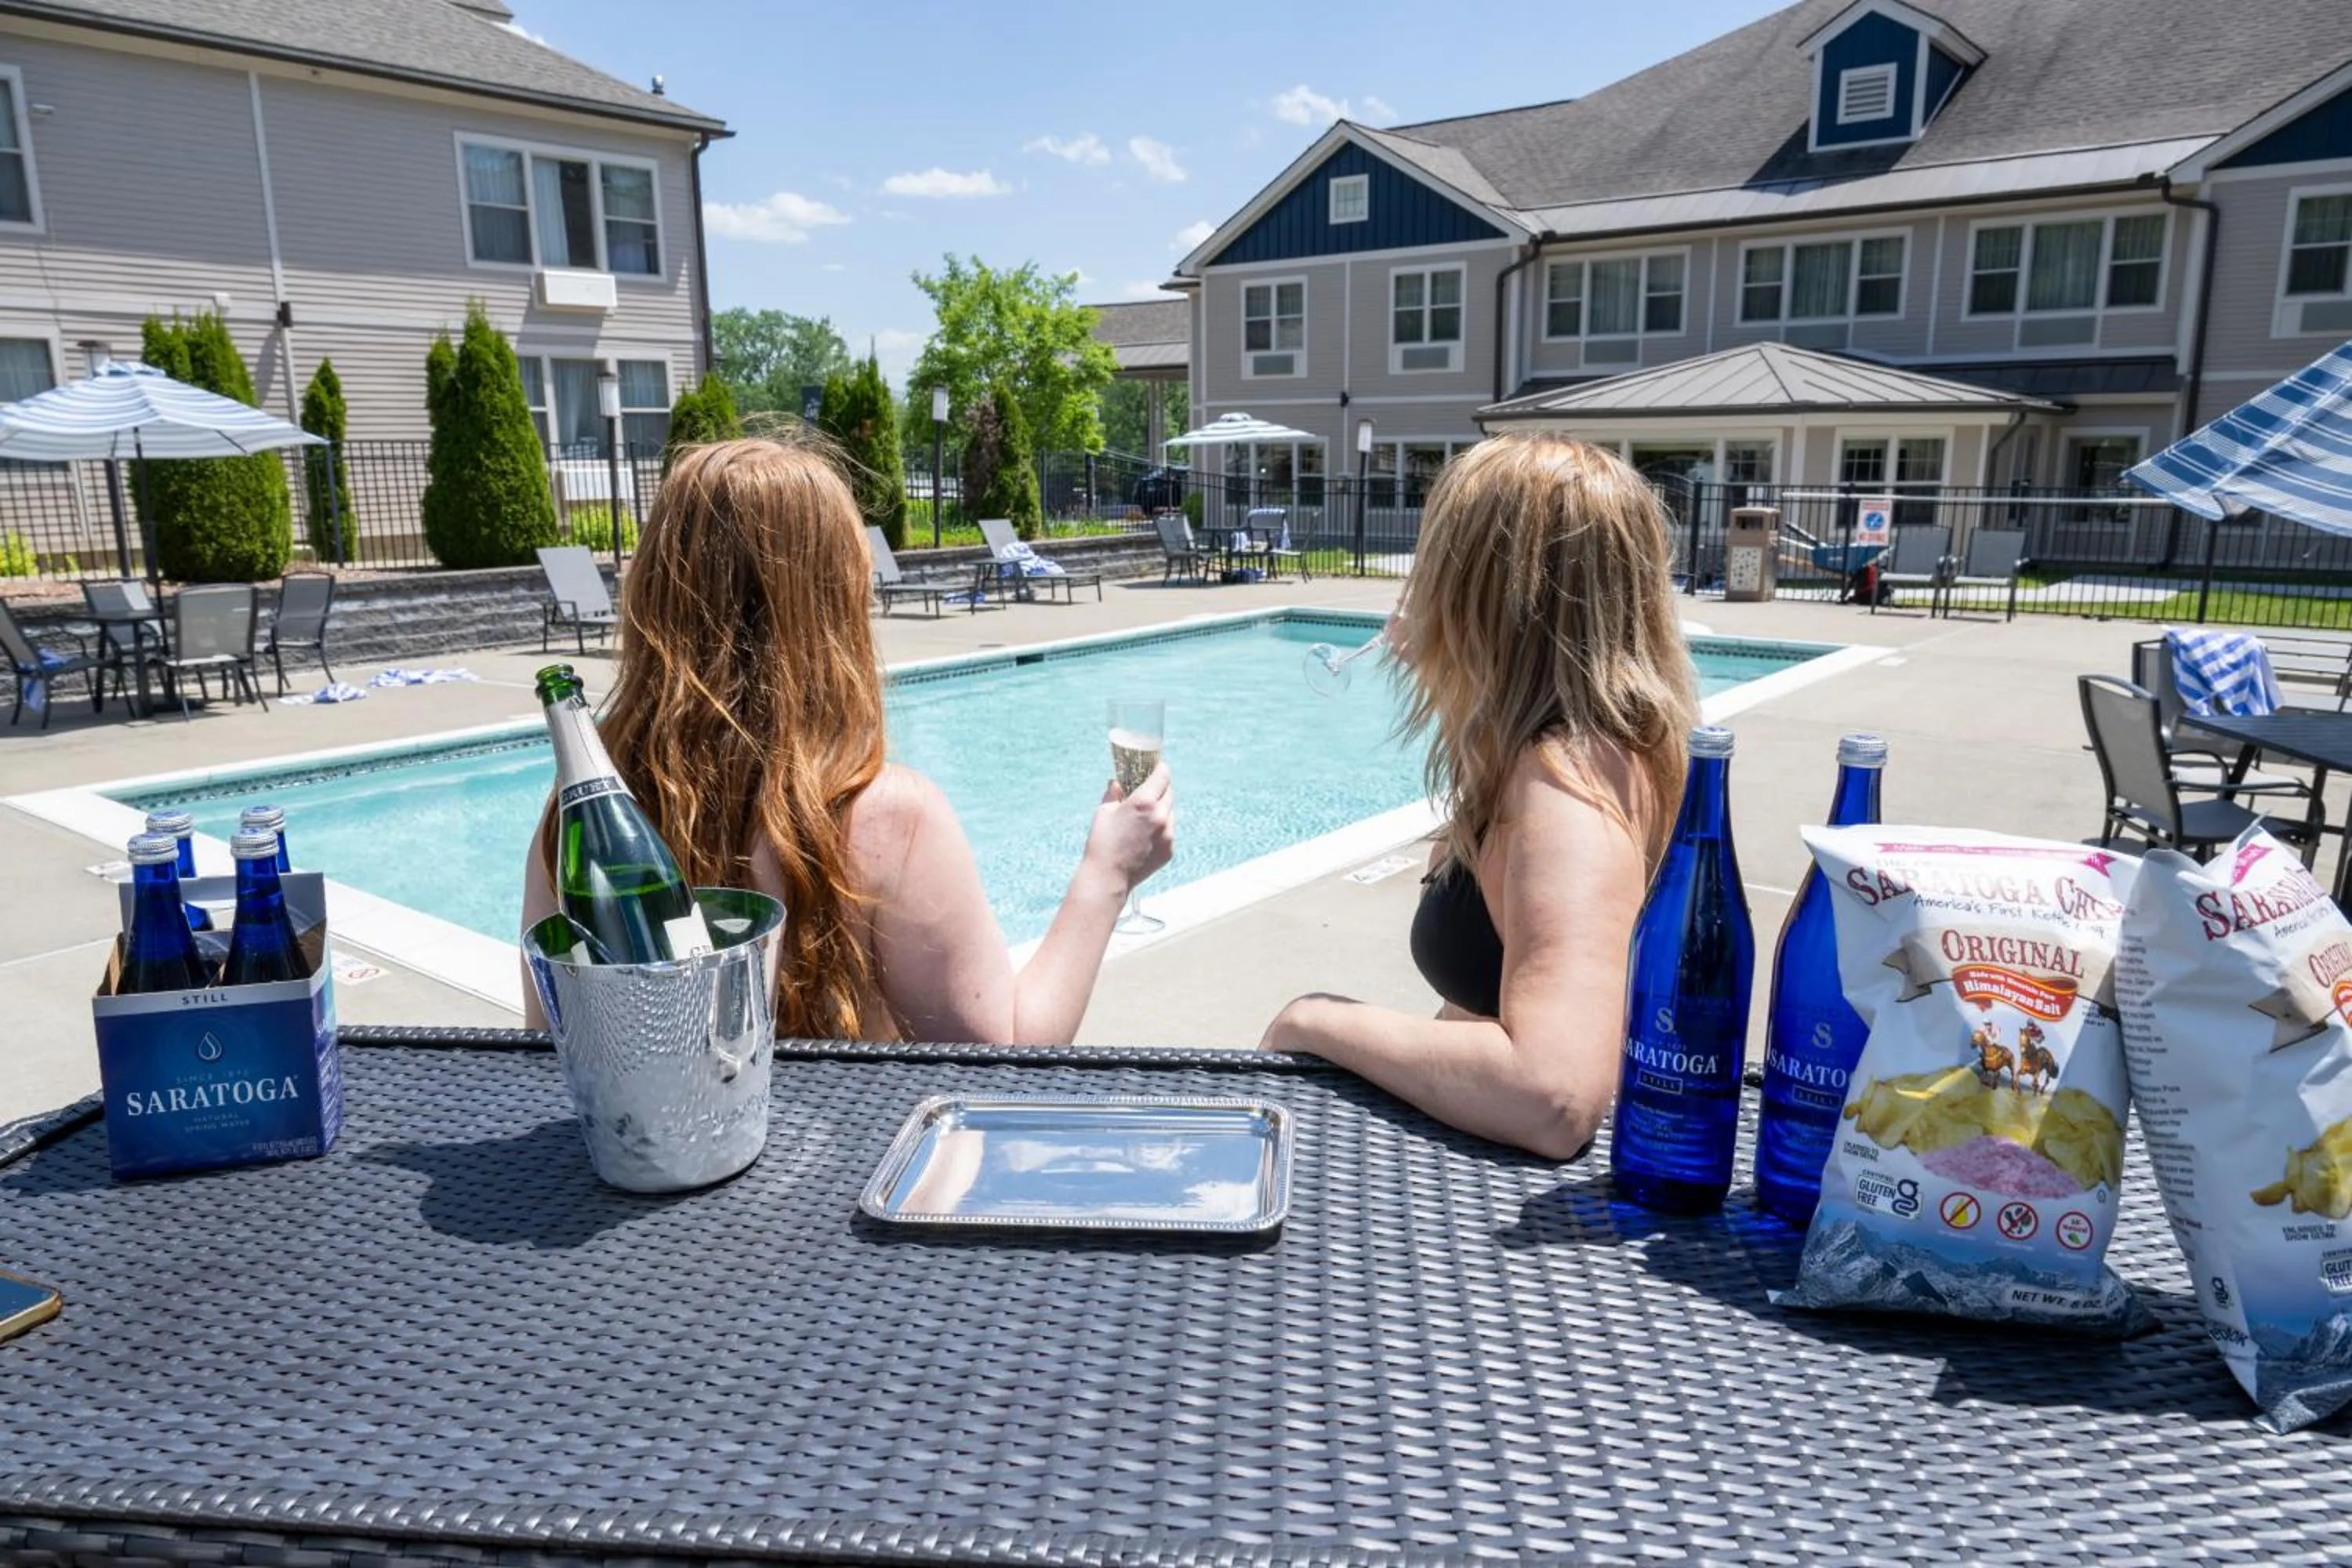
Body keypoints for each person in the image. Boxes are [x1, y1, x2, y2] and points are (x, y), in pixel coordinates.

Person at [521, 437, 1174, 1044]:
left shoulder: (579, 825)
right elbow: (1003, 1055)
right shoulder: (887, 814)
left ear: (654, 597)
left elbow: (550, 1045)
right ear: (833, 606)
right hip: (840, 1137)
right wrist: (1108, 873)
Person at [1259, 434, 1699, 1159]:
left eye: (1435, 564)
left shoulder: (1567, 784)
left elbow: (1553, 1094)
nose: (1415, 592)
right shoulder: (1570, 746)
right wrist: (1449, 682)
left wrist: (1312, 1020)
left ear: (1484, 595)